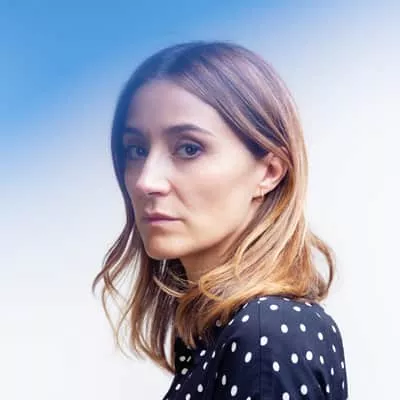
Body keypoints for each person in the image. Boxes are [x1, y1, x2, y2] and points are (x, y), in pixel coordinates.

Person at [92, 41, 348, 399]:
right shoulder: (223, 333)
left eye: (189, 148)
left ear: (269, 171)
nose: (146, 181)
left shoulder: (267, 334)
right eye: (136, 150)